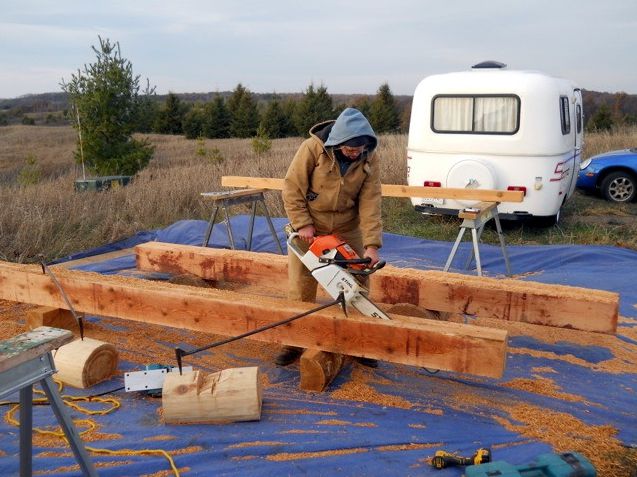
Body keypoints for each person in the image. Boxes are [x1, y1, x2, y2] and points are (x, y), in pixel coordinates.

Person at [276, 107, 383, 367]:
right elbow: (292, 188)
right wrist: (303, 224)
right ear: (337, 143)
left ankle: (357, 343)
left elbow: (370, 203)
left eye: (359, 149)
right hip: (311, 224)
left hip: (347, 225)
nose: (354, 153)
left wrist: (371, 245)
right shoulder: (312, 149)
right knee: (301, 286)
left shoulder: (368, 158)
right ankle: (295, 342)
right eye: (349, 149)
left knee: (357, 281)